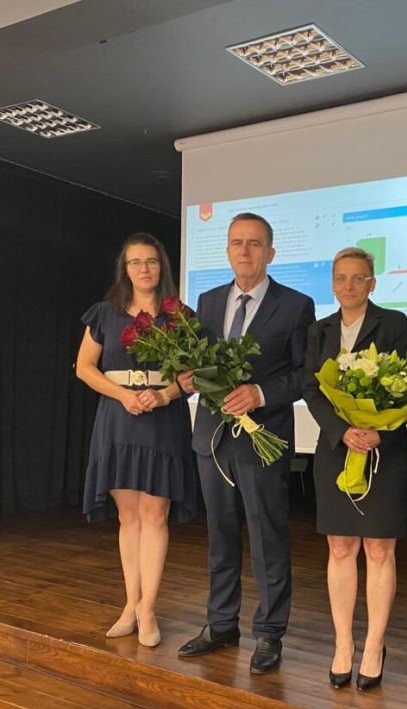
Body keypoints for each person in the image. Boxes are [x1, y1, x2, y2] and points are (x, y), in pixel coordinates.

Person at [177, 213, 315, 674]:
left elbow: (304, 374)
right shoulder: (208, 301)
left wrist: (260, 393)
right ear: (227, 250)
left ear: (270, 252)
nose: (245, 251)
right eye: (237, 242)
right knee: (220, 536)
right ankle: (221, 624)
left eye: (254, 243)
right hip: (212, 438)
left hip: (262, 438)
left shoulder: (295, 305)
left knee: (267, 536)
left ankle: (270, 633)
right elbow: (199, 363)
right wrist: (189, 377)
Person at [76, 232, 198, 648]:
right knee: (129, 517)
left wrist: (164, 394)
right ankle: (130, 604)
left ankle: (149, 610)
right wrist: (123, 395)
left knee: (155, 515)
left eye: (151, 261)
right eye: (135, 262)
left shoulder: (180, 316)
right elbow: (84, 367)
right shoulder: (104, 313)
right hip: (119, 417)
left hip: (163, 419)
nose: (144, 269)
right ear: (124, 269)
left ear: (162, 267)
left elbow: (194, 376)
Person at [303, 247, 407, 691]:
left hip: (385, 451)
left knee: (380, 550)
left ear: (372, 283)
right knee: (340, 548)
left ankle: (374, 645)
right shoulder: (319, 330)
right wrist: (342, 430)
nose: (349, 285)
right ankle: (344, 643)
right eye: (341, 278)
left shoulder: (394, 323)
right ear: (332, 284)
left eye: (358, 278)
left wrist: (377, 432)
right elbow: (311, 390)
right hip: (336, 448)